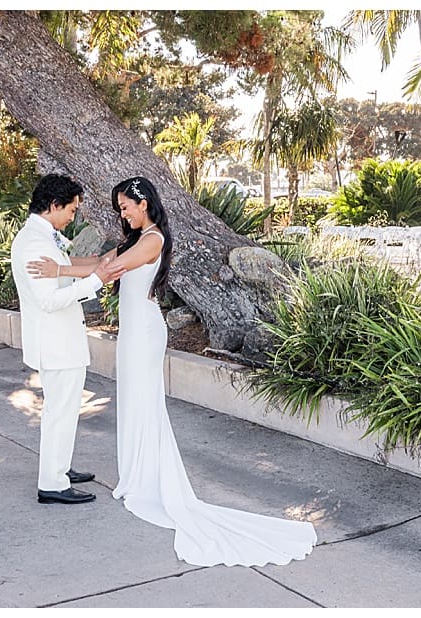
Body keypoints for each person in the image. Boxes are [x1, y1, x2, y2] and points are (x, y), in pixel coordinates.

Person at [29, 176, 316, 567]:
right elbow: (97, 262)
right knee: (131, 400)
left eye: (125, 206)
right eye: (119, 208)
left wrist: (57, 272)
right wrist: (58, 266)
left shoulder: (153, 240)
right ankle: (135, 474)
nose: (121, 212)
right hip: (131, 332)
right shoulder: (135, 238)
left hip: (145, 333)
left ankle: (149, 479)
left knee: (144, 401)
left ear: (143, 203)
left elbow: (109, 271)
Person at [11, 173, 121, 505]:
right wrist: (96, 281)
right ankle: (53, 484)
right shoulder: (33, 243)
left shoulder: (42, 236)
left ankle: (60, 468)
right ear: (54, 205)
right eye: (71, 210)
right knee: (60, 411)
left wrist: (101, 262)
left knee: (65, 409)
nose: (73, 217)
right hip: (56, 345)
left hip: (60, 342)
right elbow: (49, 300)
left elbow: (65, 265)